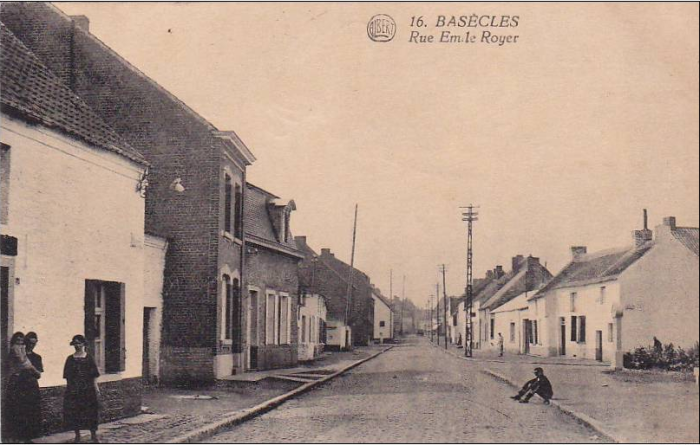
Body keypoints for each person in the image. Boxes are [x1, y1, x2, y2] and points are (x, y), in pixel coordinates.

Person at [3, 331, 42, 443]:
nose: (32, 345)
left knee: (30, 412)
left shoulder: (36, 357)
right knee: (17, 411)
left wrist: (32, 369)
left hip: (31, 386)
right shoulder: (16, 354)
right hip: (18, 386)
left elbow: (38, 374)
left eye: (34, 344)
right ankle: (16, 438)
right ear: (26, 343)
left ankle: (27, 438)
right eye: (30, 343)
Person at [63, 335, 100, 443]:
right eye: (75, 343)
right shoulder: (70, 359)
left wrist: (96, 387)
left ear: (83, 344)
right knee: (75, 412)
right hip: (74, 389)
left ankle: (93, 434)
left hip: (88, 390)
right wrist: (70, 389)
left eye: (79, 343)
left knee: (91, 411)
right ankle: (77, 435)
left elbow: (94, 375)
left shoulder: (89, 358)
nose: (77, 345)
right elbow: (67, 376)